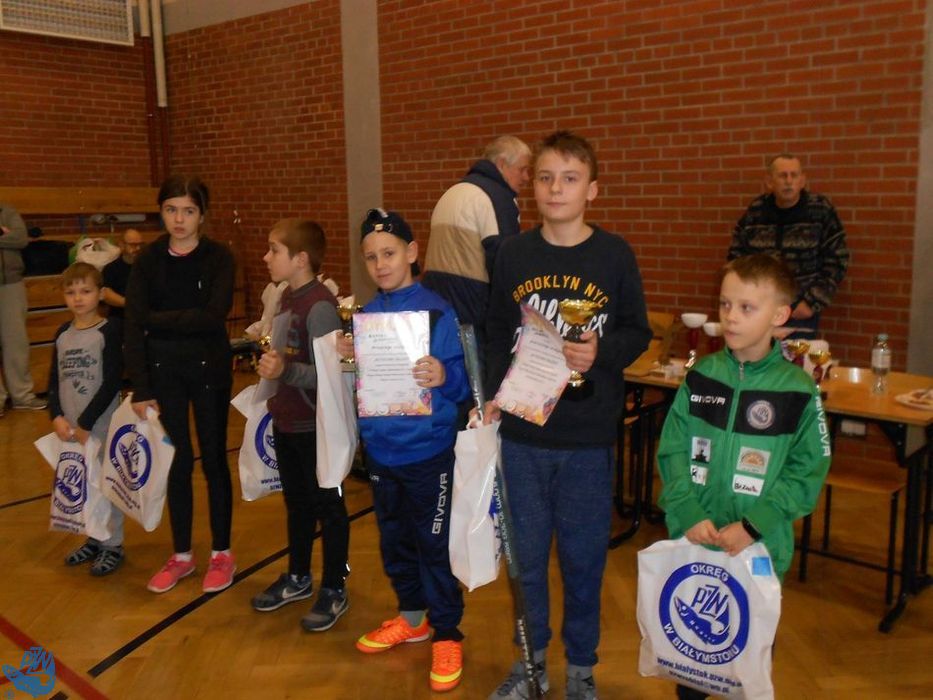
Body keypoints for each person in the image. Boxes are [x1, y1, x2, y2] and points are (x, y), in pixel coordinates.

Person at [482, 131, 651, 700]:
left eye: (570, 178)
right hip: (523, 434)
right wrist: (491, 394)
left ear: (592, 190)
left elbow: (637, 331)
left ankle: (581, 670)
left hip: (587, 439)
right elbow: (495, 333)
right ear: (532, 185)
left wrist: (601, 352)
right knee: (526, 562)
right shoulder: (513, 254)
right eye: (546, 177)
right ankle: (530, 664)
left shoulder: (614, 254)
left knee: (583, 563)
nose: (557, 189)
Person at [656, 254, 832, 700]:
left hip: (758, 548)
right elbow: (672, 449)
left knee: (748, 663)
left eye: (746, 307)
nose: (731, 316)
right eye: (725, 304)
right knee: (691, 661)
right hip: (696, 540)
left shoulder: (798, 389)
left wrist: (754, 525)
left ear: (779, 316)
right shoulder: (702, 376)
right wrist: (687, 511)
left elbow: (807, 471)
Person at [338, 208, 469, 693]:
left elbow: (464, 385)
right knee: (394, 541)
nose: (380, 264)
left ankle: (448, 632)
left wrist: (444, 375)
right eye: (371, 257)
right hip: (381, 451)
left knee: (433, 546)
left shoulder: (438, 311)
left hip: (428, 452)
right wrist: (348, 361)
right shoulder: (366, 316)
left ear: (412, 252)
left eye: (389, 253)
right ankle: (413, 619)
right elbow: (367, 384)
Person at [123, 175, 237, 594]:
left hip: (209, 370)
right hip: (163, 373)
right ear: (161, 212)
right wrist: (141, 387)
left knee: (213, 458)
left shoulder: (219, 258)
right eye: (171, 210)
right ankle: (182, 555)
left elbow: (213, 316)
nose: (179, 219)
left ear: (201, 215)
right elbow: (133, 324)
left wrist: (157, 320)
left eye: (188, 211)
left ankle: (222, 553)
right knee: (177, 460)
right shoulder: (148, 260)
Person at [249, 218, 351, 632]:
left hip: (315, 427)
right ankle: (298, 576)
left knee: (329, 508)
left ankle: (334, 586)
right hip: (287, 420)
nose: (266, 257)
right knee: (296, 504)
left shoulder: (320, 307)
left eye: (274, 250)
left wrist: (285, 371)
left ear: (300, 258)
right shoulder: (286, 298)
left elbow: (330, 375)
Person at [48, 262, 126, 576]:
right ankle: (94, 537)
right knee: (84, 484)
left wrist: (86, 422)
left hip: (99, 426)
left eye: (86, 291)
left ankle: (113, 544)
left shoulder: (108, 330)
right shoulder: (62, 334)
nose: (78, 298)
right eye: (71, 292)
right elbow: (53, 380)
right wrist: (56, 415)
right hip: (71, 429)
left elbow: (112, 383)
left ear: (101, 293)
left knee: (107, 484)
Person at [423, 135, 531, 348]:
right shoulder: (498, 198)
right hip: (475, 318)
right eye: (523, 169)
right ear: (502, 164)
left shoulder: (452, 192)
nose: (527, 177)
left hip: (439, 310)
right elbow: (504, 263)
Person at [728, 153, 849, 339]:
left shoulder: (821, 211)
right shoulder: (755, 212)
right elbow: (737, 258)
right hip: (759, 310)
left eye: (794, 175)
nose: (789, 181)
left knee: (795, 358)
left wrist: (812, 302)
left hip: (800, 312)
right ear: (769, 182)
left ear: (802, 181)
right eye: (782, 176)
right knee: (755, 357)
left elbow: (837, 259)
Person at [0, 202, 48, 417]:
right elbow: (13, 239)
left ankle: (22, 396)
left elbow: (21, 238)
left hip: (11, 284)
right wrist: (3, 235)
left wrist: (9, 236)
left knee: (16, 343)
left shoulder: (8, 212)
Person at [101, 228, 145, 319]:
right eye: (133, 245)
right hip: (120, 318)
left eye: (141, 244)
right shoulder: (111, 269)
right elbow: (106, 294)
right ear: (122, 245)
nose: (138, 248)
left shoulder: (148, 266)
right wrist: (131, 304)